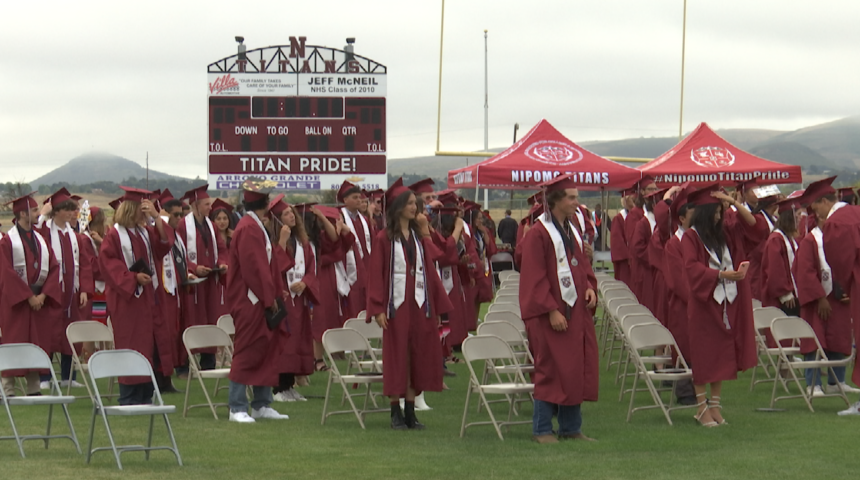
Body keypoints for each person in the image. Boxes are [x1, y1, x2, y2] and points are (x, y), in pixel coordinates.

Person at [367, 178, 453, 430]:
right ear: (397, 207)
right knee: (397, 358)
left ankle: (411, 411)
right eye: (410, 204)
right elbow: (376, 273)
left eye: (416, 204)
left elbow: (431, 268)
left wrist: (434, 306)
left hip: (420, 305)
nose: (415, 208)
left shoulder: (417, 236)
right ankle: (395, 412)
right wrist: (378, 307)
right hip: (396, 307)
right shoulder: (384, 238)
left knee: (418, 356)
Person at [519, 174, 599, 444]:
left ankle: (570, 428)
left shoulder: (571, 230)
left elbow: (581, 266)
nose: (577, 202)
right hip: (550, 315)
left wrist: (589, 286)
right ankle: (542, 429)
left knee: (573, 368)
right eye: (572, 197)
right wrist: (551, 310)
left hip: (575, 313)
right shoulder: (539, 233)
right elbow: (534, 277)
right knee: (550, 369)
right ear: (556, 200)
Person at [681, 184, 757, 427]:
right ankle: (701, 408)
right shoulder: (691, 237)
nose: (717, 217)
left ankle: (715, 406)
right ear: (703, 213)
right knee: (704, 356)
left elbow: (753, 225)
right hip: (704, 304)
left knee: (721, 354)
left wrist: (731, 202)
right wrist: (722, 276)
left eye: (719, 213)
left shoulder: (722, 235)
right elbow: (691, 269)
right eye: (714, 213)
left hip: (724, 303)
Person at [99, 187, 174, 404]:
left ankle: (146, 393)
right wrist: (133, 279)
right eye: (142, 209)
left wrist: (157, 217)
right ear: (132, 210)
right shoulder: (114, 236)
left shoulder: (144, 232)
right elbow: (109, 266)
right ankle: (129, 396)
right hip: (127, 301)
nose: (145, 214)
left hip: (148, 298)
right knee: (131, 343)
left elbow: (163, 246)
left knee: (148, 345)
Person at [226, 179, 291, 423]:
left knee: (266, 349)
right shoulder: (248, 228)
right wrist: (268, 296)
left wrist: (275, 290)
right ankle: (237, 407)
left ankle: (261, 404)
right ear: (265, 202)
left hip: (260, 298)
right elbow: (255, 269)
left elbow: (267, 265)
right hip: (251, 300)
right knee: (246, 350)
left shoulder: (254, 226)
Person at [792, 202, 858, 398]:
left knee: (839, 339)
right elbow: (805, 273)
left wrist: (849, 290)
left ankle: (836, 382)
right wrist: (820, 297)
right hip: (817, 303)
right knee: (814, 342)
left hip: (838, 300)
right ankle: (813, 384)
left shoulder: (838, 238)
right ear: (819, 218)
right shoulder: (810, 241)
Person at [807, 176, 860, 415]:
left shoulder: (837, 223)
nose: (815, 212)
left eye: (815, 206)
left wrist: (845, 286)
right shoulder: (856, 213)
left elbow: (840, 261)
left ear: (825, 201)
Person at [0, 193, 62, 397]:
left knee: (37, 342)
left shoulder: (41, 240)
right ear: (23, 214)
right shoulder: (8, 242)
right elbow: (6, 273)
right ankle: (8, 388)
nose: (39, 213)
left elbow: (54, 268)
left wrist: (43, 296)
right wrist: (28, 296)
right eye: (35, 210)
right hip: (17, 302)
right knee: (14, 341)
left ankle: (34, 387)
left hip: (39, 302)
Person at [35, 188, 93, 389]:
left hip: (72, 291)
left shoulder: (75, 236)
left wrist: (84, 289)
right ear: (57, 211)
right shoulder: (44, 233)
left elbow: (84, 264)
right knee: (48, 333)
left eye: (73, 210)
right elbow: (32, 231)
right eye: (68, 210)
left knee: (71, 333)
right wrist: (43, 213)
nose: (72, 213)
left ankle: (69, 376)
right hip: (52, 290)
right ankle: (44, 377)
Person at [268, 197, 317, 403]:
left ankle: (289, 386)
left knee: (296, 343)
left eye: (291, 212)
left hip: (299, 300)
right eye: (286, 213)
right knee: (283, 343)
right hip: (283, 299)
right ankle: (278, 388)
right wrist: (280, 241)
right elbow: (270, 268)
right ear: (278, 220)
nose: (291, 215)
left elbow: (312, 268)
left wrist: (306, 282)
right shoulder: (272, 242)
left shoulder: (302, 243)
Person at [177, 185, 228, 373]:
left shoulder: (211, 226)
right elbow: (179, 253)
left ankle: (208, 363)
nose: (210, 207)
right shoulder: (184, 225)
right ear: (196, 205)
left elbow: (221, 249)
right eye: (207, 204)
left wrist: (222, 263)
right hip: (192, 284)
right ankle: (183, 365)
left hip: (210, 283)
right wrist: (194, 267)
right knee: (190, 320)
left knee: (209, 319)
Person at [661, 186, 697, 404]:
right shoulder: (674, 244)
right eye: (693, 217)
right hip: (683, 304)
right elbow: (677, 280)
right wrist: (695, 297)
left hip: (699, 302)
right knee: (683, 346)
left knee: (698, 346)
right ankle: (684, 392)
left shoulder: (697, 241)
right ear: (682, 218)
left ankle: (698, 391)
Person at [761, 199, 802, 315]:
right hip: (783, 299)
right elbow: (775, 269)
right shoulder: (776, 239)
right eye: (798, 215)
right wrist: (785, 293)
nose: (800, 218)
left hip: (793, 295)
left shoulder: (789, 238)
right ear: (790, 217)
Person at [338, 181, 372, 317]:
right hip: (348, 267)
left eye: (360, 197)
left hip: (366, 267)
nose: (359, 200)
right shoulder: (340, 219)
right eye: (355, 198)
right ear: (345, 200)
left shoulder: (364, 220)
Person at [210, 198, 234, 322]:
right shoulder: (210, 238)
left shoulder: (234, 237)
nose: (222, 222)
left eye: (225, 218)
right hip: (218, 281)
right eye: (218, 219)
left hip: (233, 280)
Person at [610, 190, 633, 284]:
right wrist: (629, 257)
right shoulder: (619, 219)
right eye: (631, 199)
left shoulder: (641, 216)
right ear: (625, 201)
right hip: (627, 262)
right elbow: (617, 243)